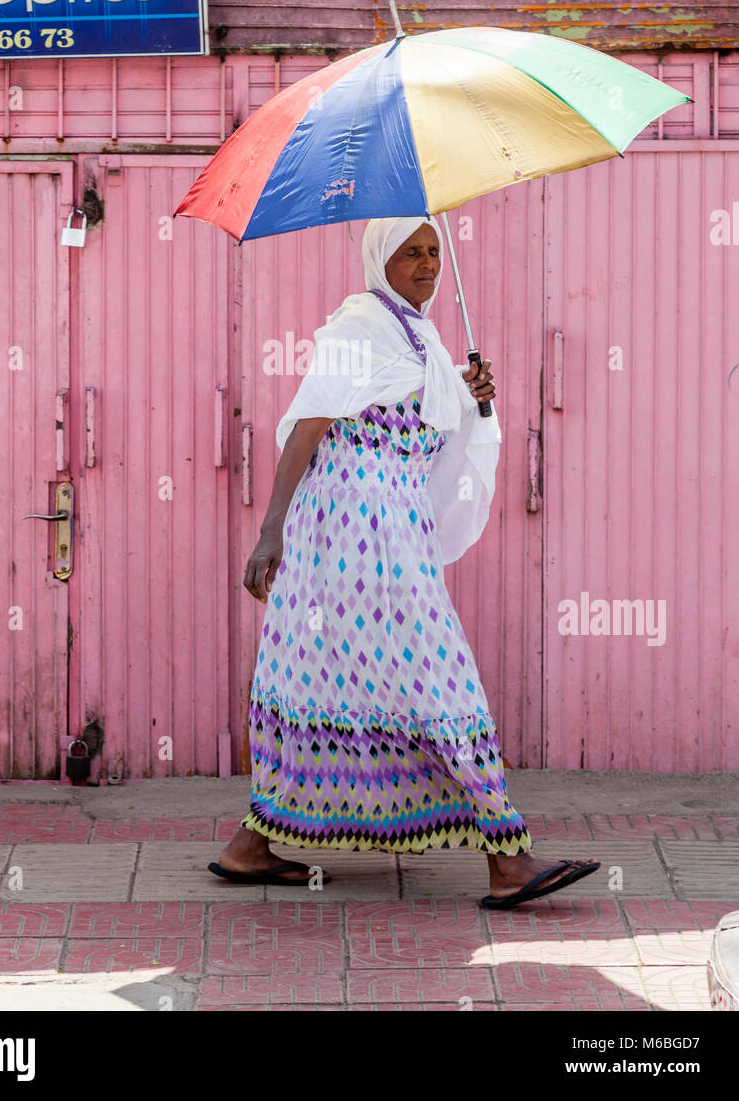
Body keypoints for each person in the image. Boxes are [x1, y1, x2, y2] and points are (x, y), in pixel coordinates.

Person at [209, 215, 600, 908]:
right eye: (411, 253)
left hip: (397, 536)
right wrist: (270, 533)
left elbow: (417, 419)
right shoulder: (361, 324)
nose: (427, 264)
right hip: (347, 535)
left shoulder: (418, 338)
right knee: (441, 677)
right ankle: (506, 858)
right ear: (378, 261)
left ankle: (251, 845)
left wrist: (464, 395)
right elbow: (309, 425)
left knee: (329, 682)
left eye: (433, 252)